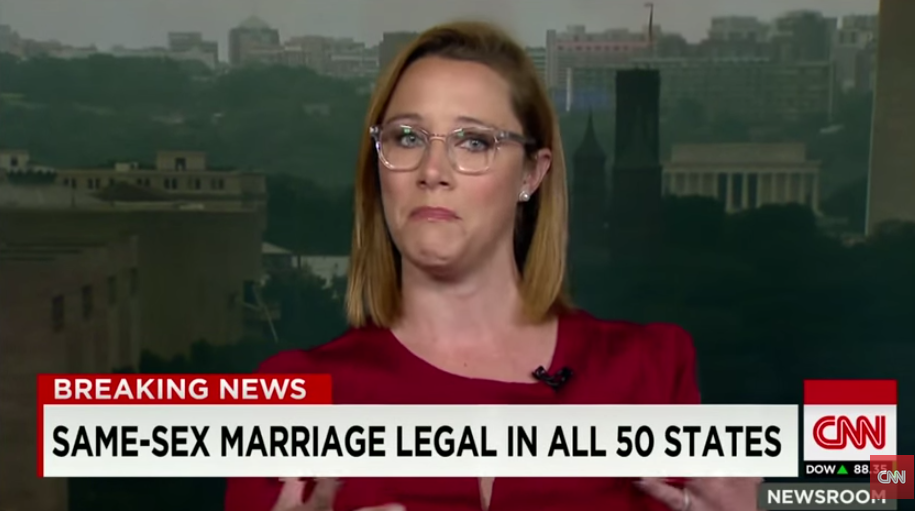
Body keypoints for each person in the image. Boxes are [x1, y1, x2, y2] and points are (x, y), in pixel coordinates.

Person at [226, 20, 760, 511]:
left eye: (474, 142)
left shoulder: (646, 374)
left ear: (532, 173)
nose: (432, 171)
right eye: (407, 138)